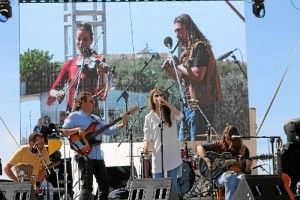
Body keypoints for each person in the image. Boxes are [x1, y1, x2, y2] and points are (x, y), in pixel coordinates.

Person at [162, 14, 222, 142]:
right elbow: (183, 79)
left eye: (179, 30)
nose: (177, 34)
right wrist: (171, 70)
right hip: (189, 108)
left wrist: (178, 64)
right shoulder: (187, 51)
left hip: (201, 108)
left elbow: (197, 75)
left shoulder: (200, 46)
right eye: (175, 31)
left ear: (189, 29)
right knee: (184, 150)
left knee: (198, 148)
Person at [60, 91, 128, 200]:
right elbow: (62, 132)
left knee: (104, 186)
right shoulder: (74, 116)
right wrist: (77, 130)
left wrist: (122, 124)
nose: (93, 104)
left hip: (98, 157)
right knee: (87, 187)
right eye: (91, 101)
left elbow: (109, 131)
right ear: (82, 102)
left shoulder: (96, 118)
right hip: (85, 157)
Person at [47, 21, 108, 111]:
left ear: (91, 40)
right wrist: (57, 93)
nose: (81, 43)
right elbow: (52, 90)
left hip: (91, 114)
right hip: (73, 113)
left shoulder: (97, 62)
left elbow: (101, 95)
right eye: (78, 39)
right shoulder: (69, 64)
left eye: (85, 39)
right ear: (75, 39)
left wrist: (101, 74)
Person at [197, 125, 252, 200]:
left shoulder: (243, 150)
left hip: (238, 175)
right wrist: (207, 160)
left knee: (243, 178)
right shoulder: (219, 145)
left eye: (229, 139)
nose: (226, 140)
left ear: (235, 139)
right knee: (230, 176)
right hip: (220, 177)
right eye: (225, 138)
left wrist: (248, 167)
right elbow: (199, 147)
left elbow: (247, 172)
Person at [143, 88, 183, 191]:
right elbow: (146, 135)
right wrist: (145, 147)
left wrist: (167, 104)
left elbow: (180, 116)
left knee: (172, 185)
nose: (159, 97)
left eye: (161, 95)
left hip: (172, 153)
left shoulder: (170, 112)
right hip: (158, 154)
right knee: (158, 185)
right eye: (156, 96)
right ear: (152, 99)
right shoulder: (149, 117)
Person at [4, 132, 53, 200]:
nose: (43, 145)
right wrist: (17, 182)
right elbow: (7, 168)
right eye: (40, 143)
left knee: (49, 187)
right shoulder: (22, 151)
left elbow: (43, 170)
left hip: (39, 182)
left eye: (43, 143)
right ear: (32, 143)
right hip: (23, 182)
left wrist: (37, 184)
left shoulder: (43, 150)